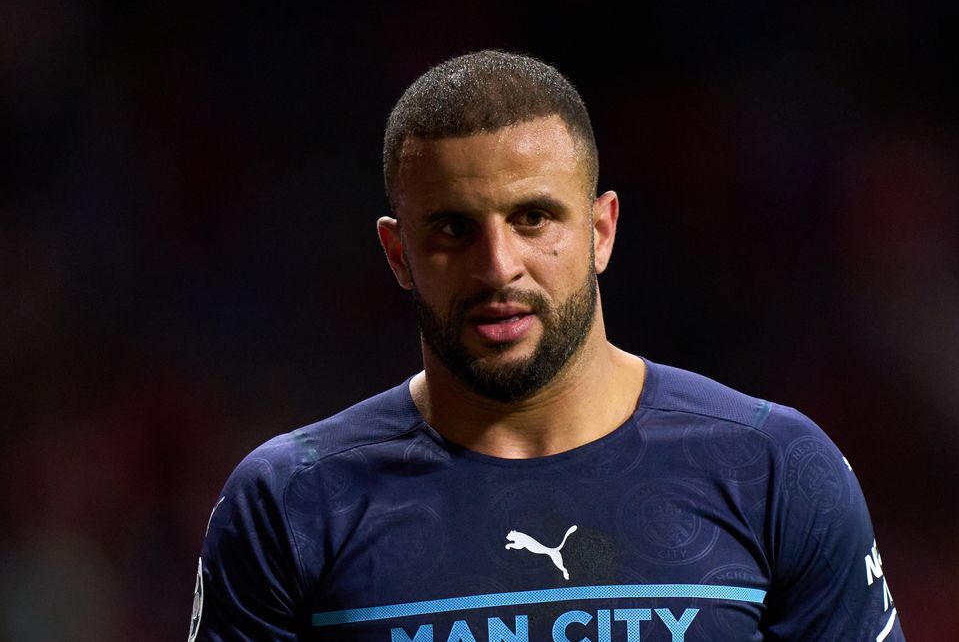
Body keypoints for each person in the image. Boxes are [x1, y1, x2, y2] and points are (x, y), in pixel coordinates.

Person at [189, 50, 903, 642]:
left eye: (533, 217)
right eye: (452, 228)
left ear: (601, 230)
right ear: (397, 251)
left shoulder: (776, 470)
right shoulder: (290, 503)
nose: (499, 266)